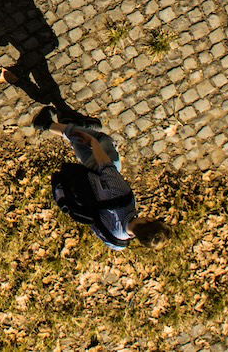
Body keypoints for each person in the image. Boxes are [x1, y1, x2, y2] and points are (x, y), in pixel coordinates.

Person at [36, 107, 171, 250]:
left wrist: (94, 143)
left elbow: (106, 168)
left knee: (103, 142)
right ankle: (74, 126)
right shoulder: (117, 242)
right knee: (89, 154)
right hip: (85, 194)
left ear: (149, 220)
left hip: (93, 178)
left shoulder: (124, 199)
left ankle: (47, 124)